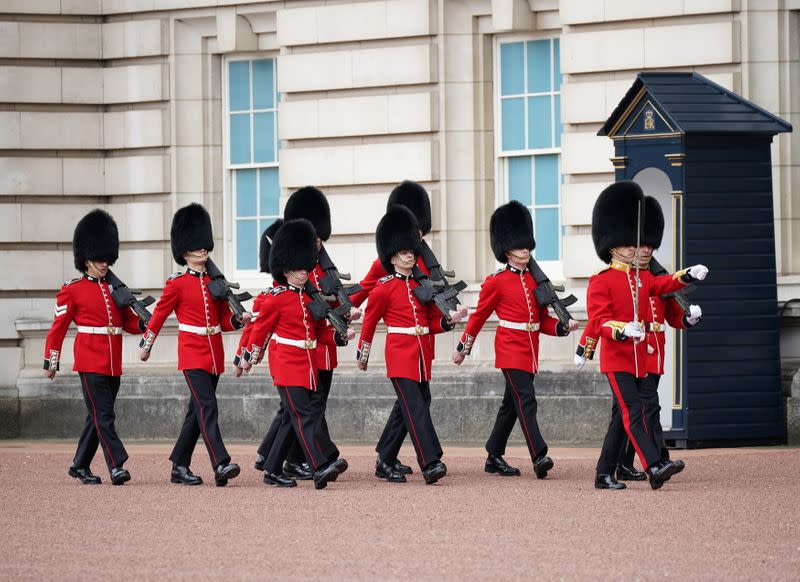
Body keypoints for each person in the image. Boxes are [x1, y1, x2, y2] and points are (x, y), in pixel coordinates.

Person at [587, 181, 708, 490]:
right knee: (633, 413)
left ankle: (606, 472)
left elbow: (662, 287)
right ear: (613, 245)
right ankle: (654, 464)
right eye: (629, 244)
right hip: (618, 357)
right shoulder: (601, 281)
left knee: (630, 414)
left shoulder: (643, 278)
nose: (636, 248)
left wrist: (686, 275)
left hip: (643, 358)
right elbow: (599, 321)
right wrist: (621, 329)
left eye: (638, 243)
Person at [453, 201, 579, 478]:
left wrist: (562, 327)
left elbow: (541, 320)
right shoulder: (496, 281)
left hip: (530, 348)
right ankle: (539, 455)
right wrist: (463, 347)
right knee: (526, 400)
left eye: (528, 246)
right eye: (520, 246)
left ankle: (493, 455)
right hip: (510, 348)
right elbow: (478, 317)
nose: (526, 250)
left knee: (511, 406)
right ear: (507, 249)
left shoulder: (535, 282)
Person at [356, 205, 467, 485]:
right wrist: (363, 354)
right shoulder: (383, 287)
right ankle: (430, 462)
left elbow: (428, 322)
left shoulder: (420, 287)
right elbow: (369, 322)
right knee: (415, 407)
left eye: (411, 250)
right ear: (393, 256)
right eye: (404, 251)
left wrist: (449, 321)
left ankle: (385, 456)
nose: (410, 255)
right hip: (400, 355)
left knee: (411, 406)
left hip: (420, 354)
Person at [139, 203, 248, 486]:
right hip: (191, 352)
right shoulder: (176, 283)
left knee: (197, 412)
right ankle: (221, 463)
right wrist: (146, 344)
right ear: (185, 250)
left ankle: (179, 465)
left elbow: (223, 320)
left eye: (205, 245)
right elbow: (159, 315)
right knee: (208, 407)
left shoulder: (214, 281)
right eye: (197, 246)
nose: (203, 250)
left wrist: (239, 320)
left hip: (213, 353)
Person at [246, 219, 352, 489]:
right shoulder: (275, 298)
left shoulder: (308, 298)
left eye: (307, 267)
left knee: (291, 420)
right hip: (285, 365)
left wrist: (340, 336)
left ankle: (271, 469)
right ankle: (319, 466)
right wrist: (251, 356)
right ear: (285, 268)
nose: (304, 272)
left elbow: (319, 333)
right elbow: (260, 329)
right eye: (298, 268)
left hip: (306, 366)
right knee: (304, 414)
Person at [44, 209, 144, 485]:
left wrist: (145, 324)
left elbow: (126, 323)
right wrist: (51, 361)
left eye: (107, 259)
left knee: (96, 417)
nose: (105, 264)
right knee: (104, 415)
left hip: (113, 361)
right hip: (89, 360)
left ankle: (79, 464)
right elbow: (58, 327)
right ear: (87, 260)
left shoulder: (115, 289)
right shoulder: (72, 290)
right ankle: (116, 465)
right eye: (100, 259)